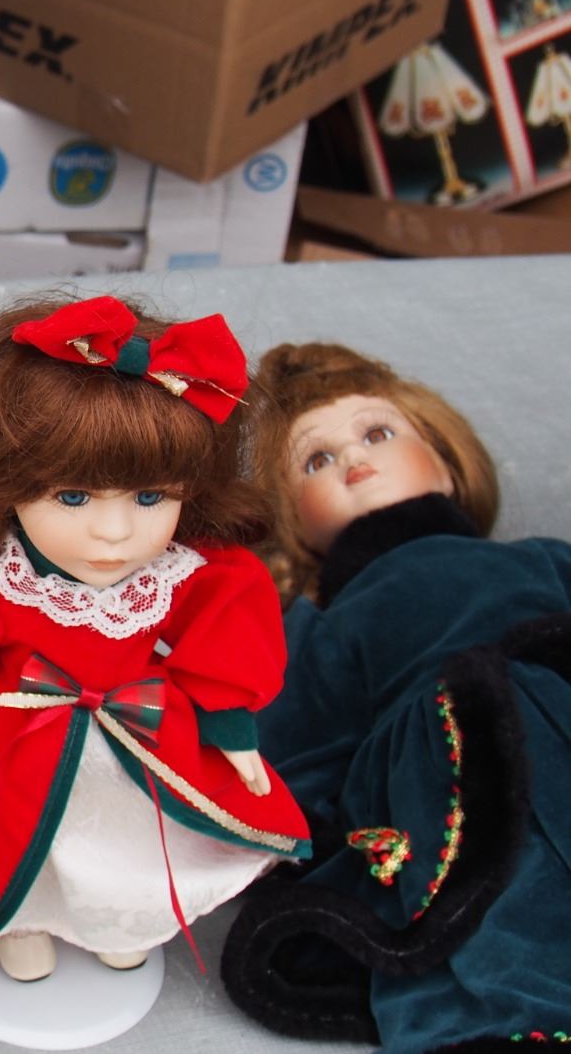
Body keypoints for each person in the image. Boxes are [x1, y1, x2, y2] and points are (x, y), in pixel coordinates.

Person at [0, 295, 310, 982]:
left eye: (150, 498)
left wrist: (231, 730)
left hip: (138, 731)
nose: (114, 534)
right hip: (10, 742)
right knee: (11, 839)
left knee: (123, 841)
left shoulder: (186, 571)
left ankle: (113, 919)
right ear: (4, 484)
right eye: (72, 497)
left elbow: (226, 636)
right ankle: (24, 920)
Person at [222, 342, 571, 1053]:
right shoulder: (325, 623)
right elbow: (297, 746)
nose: (354, 459)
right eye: (316, 461)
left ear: (445, 460)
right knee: (505, 892)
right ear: (294, 522)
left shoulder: (539, 558)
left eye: (377, 432)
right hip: (446, 766)